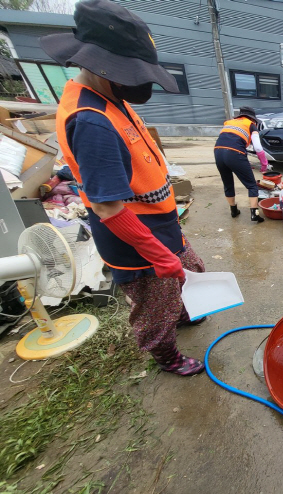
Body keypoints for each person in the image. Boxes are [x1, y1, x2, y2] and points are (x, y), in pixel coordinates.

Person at [42, 0, 205, 376]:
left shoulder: (107, 97)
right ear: (104, 64)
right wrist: (159, 255)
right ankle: (165, 353)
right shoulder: (92, 122)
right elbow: (108, 208)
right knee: (153, 303)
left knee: (191, 270)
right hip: (135, 239)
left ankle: (179, 313)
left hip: (159, 224)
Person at [214, 107, 270, 222]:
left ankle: (233, 211)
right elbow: (258, 147)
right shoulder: (251, 125)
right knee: (252, 185)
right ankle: (254, 214)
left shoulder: (229, 122)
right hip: (235, 153)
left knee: (228, 183)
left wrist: (244, 161)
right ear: (253, 119)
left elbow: (230, 140)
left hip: (218, 152)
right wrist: (264, 163)